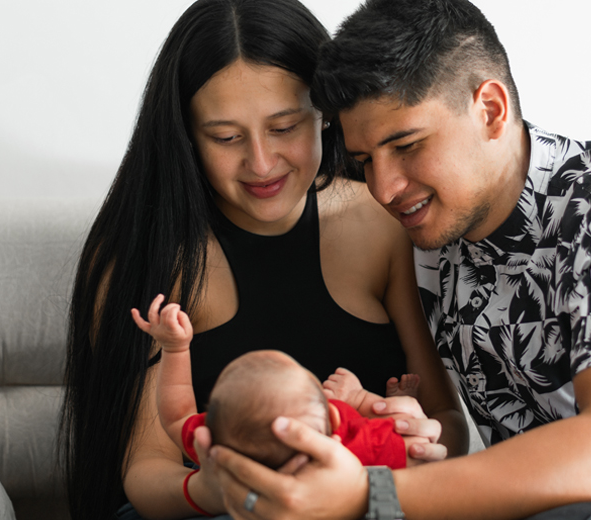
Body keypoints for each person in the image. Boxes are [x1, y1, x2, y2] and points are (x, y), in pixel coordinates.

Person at [205, 0, 591, 519]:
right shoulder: (434, 246)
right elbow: (461, 444)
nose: (383, 188)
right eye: (364, 161)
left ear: (490, 109)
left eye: (406, 146)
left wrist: (372, 493)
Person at [58, 0, 468, 519]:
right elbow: (146, 471)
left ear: (325, 117)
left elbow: (447, 420)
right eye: (226, 137)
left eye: (284, 127)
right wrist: (216, 491)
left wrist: (426, 443)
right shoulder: (153, 251)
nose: (261, 162)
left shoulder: (378, 220)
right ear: (186, 135)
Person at [131, 294, 424, 472]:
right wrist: (363, 400)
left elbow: (176, 413)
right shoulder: (349, 441)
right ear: (332, 412)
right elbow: (414, 441)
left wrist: (175, 349)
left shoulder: (222, 451)